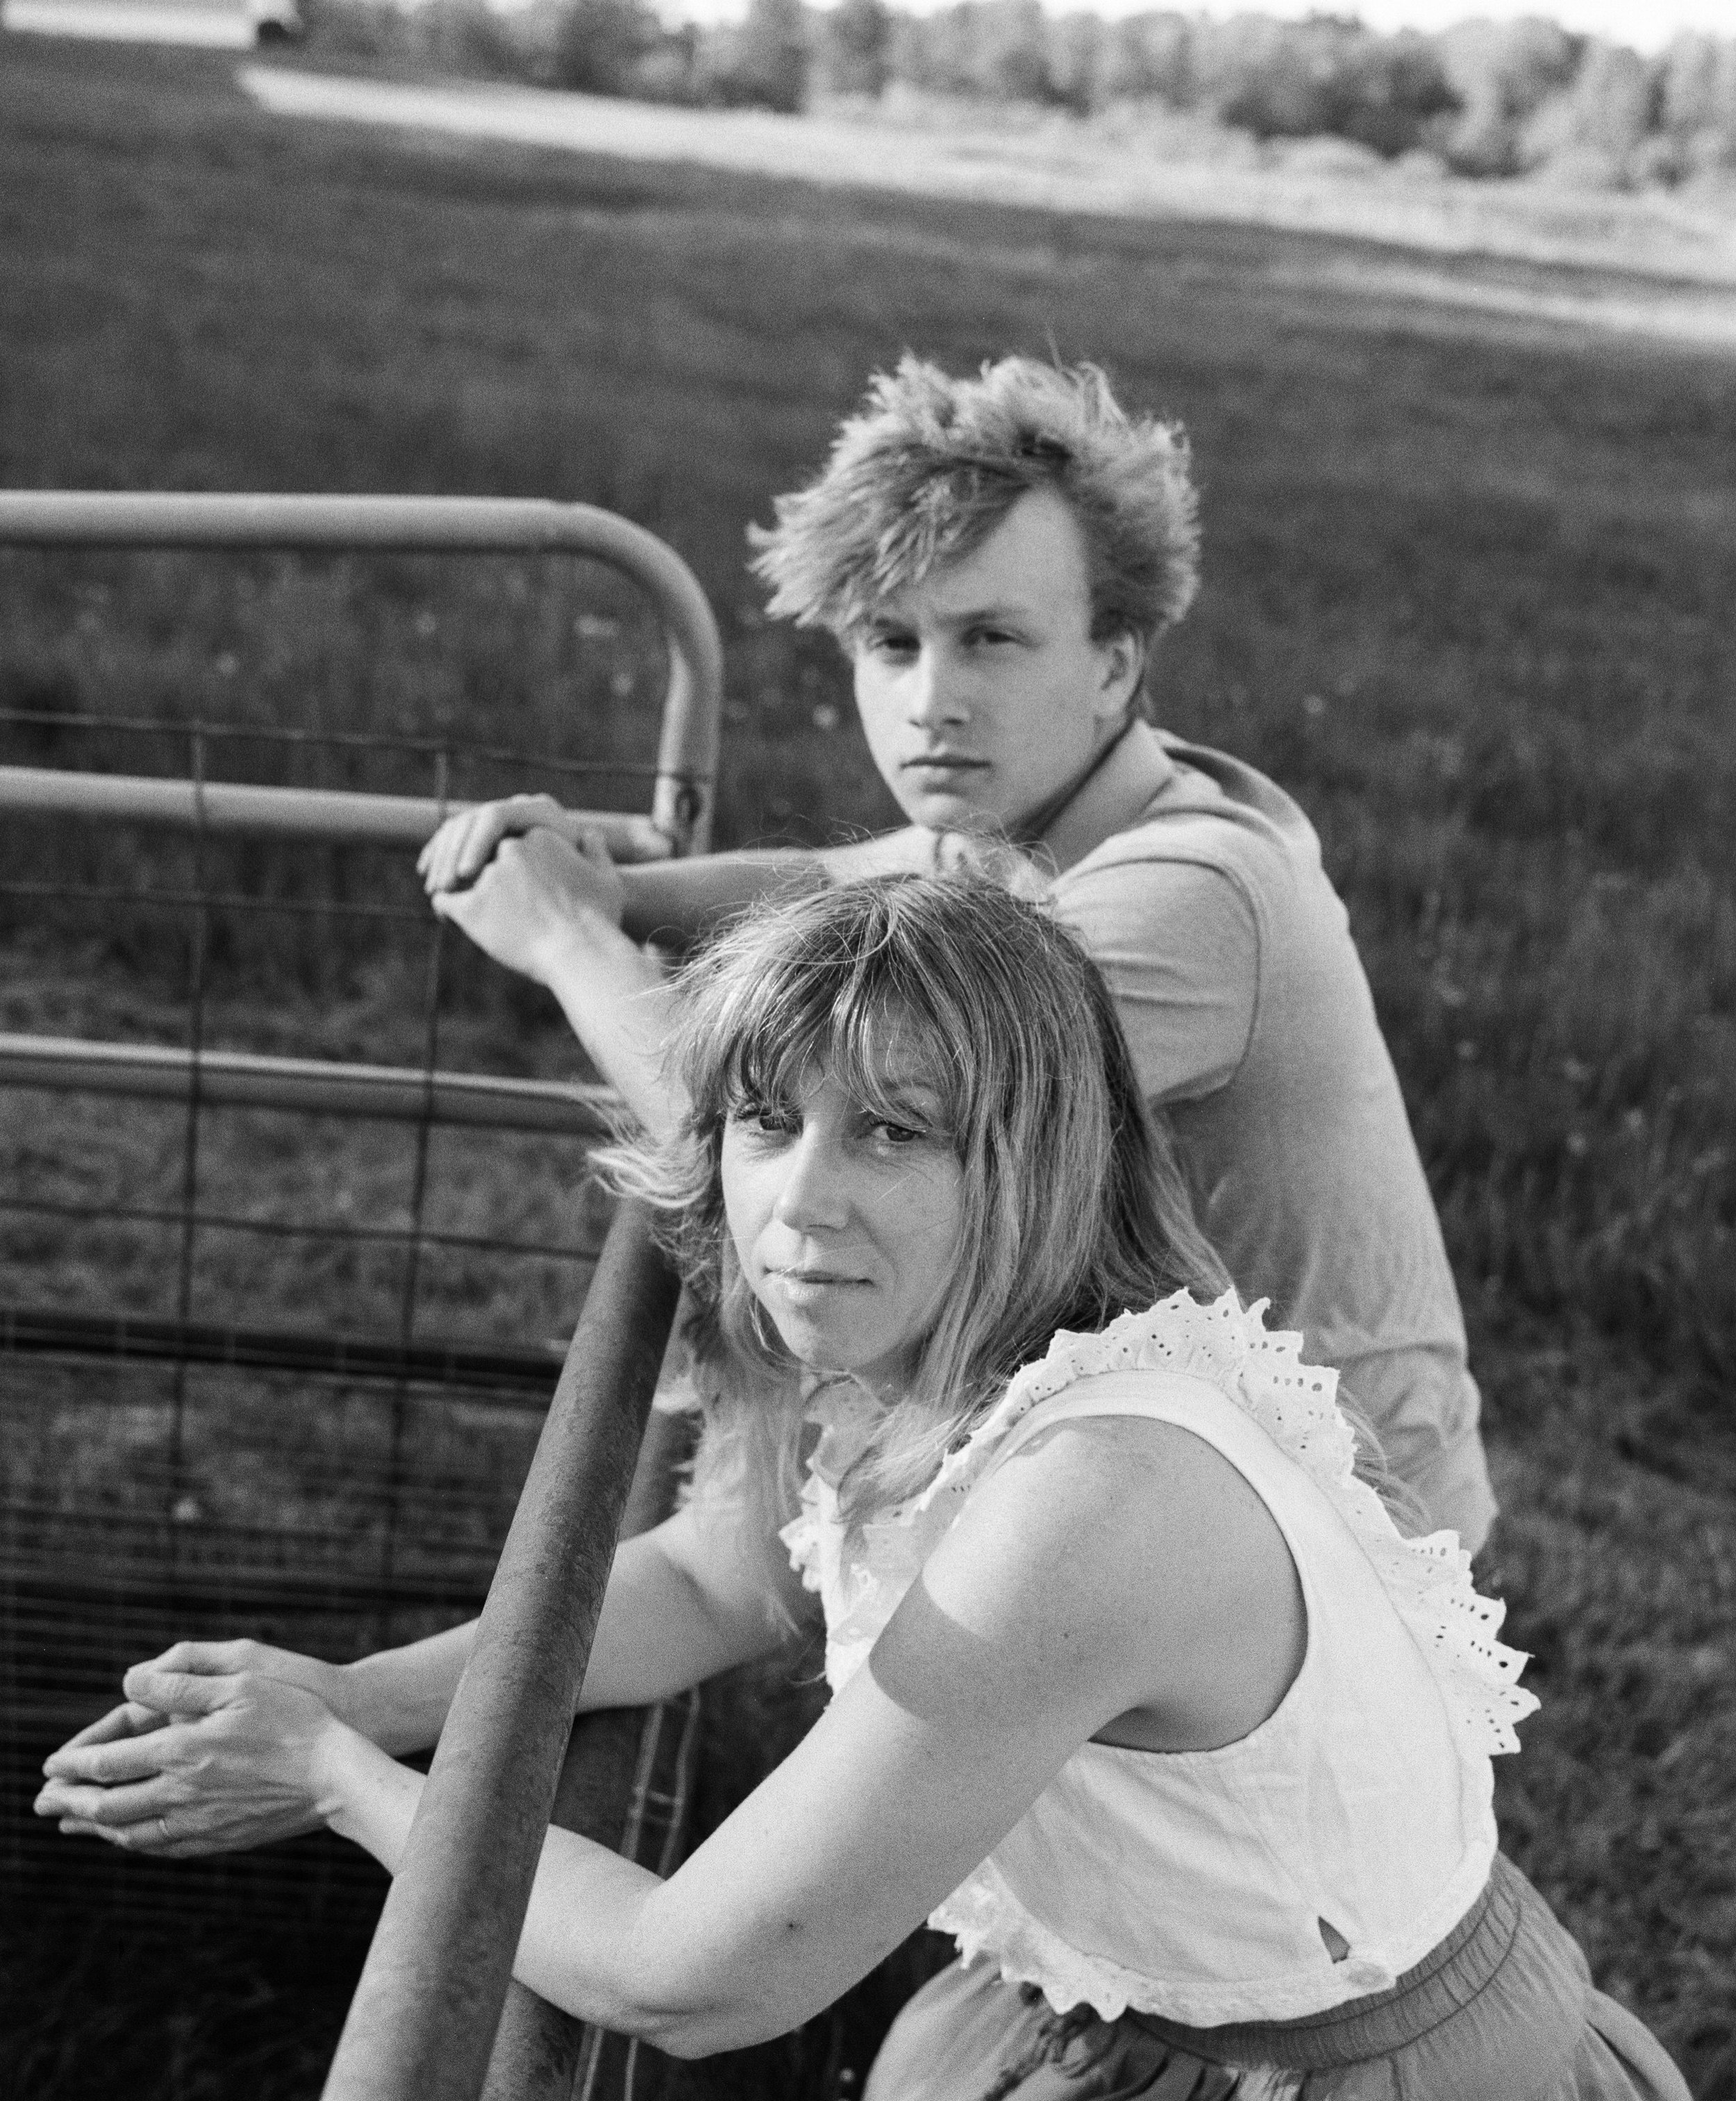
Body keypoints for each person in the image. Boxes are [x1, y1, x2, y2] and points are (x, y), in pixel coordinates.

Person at [37, 878, 1705, 2101]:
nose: (799, 1207)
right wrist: (367, 1690)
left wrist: (338, 1776)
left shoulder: (1098, 1496)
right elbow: (713, 1580)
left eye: (894, 1133)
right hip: (1147, 2024)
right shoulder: (921, 1340)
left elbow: (693, 1979)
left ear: (1035, 1153)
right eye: (766, 1122)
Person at [417, 354, 1496, 1550]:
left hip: (1332, 1537)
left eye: (990, 639)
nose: (933, 700)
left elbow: (766, 1108)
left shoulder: (1191, 889)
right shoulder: (1025, 819)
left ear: (1116, 663)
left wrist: (568, 936)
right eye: (891, 642)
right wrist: (616, 883)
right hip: (1159, 1469)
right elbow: (840, 877)